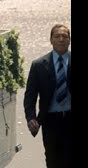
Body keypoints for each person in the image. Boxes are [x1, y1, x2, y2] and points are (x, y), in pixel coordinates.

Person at [24, 24, 71, 168]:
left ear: (69, 40)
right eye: (57, 36)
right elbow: (30, 95)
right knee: (52, 160)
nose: (61, 39)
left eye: (65, 36)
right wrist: (31, 117)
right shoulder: (39, 65)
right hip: (50, 120)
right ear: (51, 40)